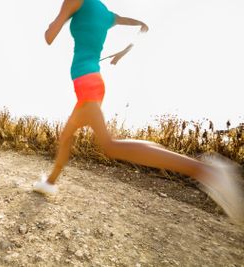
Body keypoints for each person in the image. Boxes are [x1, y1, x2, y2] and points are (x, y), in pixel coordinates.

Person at [33, 0, 244, 223]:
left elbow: (49, 37)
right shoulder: (107, 14)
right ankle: (50, 183)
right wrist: (123, 53)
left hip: (86, 81)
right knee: (66, 136)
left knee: (109, 146)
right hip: (92, 82)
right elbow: (142, 26)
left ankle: (206, 171)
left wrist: (58, 19)